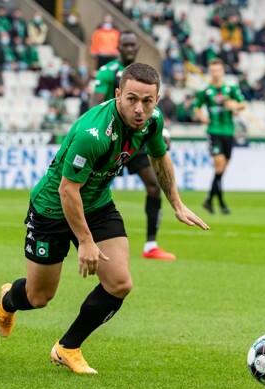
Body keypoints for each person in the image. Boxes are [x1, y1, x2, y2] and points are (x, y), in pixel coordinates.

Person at [0, 63, 209, 375]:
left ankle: (67, 347)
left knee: (120, 283)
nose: (139, 109)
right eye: (132, 99)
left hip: (97, 205)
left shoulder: (153, 121)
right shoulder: (92, 134)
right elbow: (68, 190)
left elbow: (159, 156)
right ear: (118, 94)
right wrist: (85, 241)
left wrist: (177, 203)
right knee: (38, 297)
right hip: (52, 209)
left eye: (147, 101)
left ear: (157, 100)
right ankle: (8, 300)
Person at [91, 31, 176, 261]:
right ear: (118, 47)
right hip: (110, 141)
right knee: (92, 188)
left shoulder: (143, 75)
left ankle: (151, 245)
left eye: (132, 45)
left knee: (153, 186)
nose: (129, 48)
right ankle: (82, 237)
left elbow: (150, 108)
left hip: (135, 140)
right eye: (125, 45)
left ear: (137, 48)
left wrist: (160, 131)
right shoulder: (108, 72)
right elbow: (95, 105)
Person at [194, 58, 245, 215]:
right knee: (219, 164)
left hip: (229, 132)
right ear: (210, 72)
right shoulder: (206, 90)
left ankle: (210, 200)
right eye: (213, 71)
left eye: (218, 70)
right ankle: (221, 203)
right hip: (214, 131)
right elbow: (196, 107)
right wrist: (202, 117)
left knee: (221, 170)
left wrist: (234, 106)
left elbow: (242, 104)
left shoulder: (230, 88)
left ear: (222, 71)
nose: (215, 73)